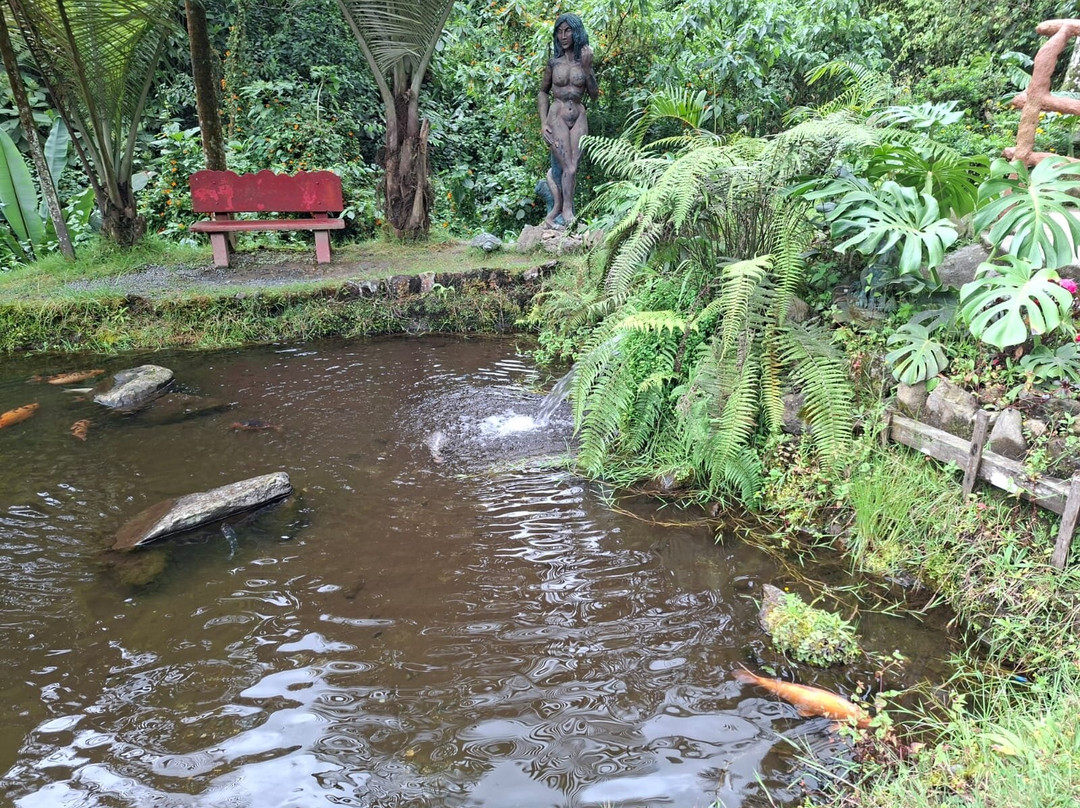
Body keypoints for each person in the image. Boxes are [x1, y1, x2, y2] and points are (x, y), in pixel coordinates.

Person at [538, 13, 597, 228]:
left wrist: (588, 69)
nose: (563, 36)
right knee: (567, 167)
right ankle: (564, 211)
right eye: (559, 32)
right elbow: (543, 92)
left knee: (573, 167)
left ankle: (563, 212)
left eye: (568, 30)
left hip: (579, 114)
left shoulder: (584, 62)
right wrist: (543, 122)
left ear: (576, 32)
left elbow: (594, 94)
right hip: (558, 114)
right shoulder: (553, 63)